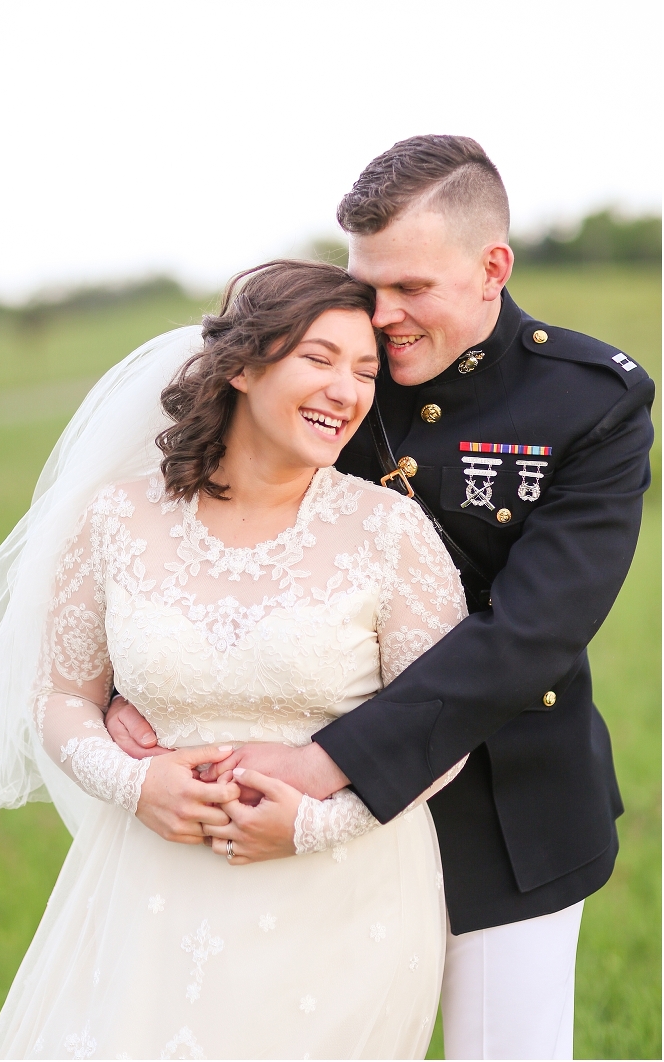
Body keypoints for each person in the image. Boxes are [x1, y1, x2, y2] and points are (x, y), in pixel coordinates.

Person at [109, 136, 655, 1060]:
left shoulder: (589, 401)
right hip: (295, 823)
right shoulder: (331, 371)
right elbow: (221, 519)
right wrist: (148, 678)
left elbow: (531, 634)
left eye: (411, 287)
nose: (383, 316)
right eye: (369, 284)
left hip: (504, 813)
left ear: (493, 269)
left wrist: (326, 765)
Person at [0, 260, 469, 1060]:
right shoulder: (116, 519)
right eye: (318, 358)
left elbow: (442, 730)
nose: (346, 391)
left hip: (342, 896)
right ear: (242, 366)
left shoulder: (391, 532)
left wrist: (315, 823)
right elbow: (62, 696)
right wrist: (136, 784)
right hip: (149, 888)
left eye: (365, 370)